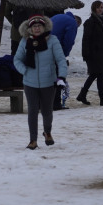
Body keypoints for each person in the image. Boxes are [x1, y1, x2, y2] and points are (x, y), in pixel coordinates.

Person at [13, 15, 67, 150]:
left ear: (44, 27)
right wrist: (24, 70)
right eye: (34, 26)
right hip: (29, 82)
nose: (37, 28)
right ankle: (33, 140)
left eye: (39, 26)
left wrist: (61, 76)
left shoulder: (53, 40)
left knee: (47, 111)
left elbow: (61, 60)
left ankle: (47, 131)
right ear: (30, 28)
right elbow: (17, 59)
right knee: (32, 110)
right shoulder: (25, 41)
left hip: (48, 81)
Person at [77, 1, 103, 106]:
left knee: (98, 75)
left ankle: (88, 96)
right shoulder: (90, 22)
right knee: (95, 74)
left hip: (100, 53)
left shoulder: (102, 22)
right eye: (99, 7)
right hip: (93, 54)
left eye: (102, 7)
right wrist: (85, 54)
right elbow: (85, 39)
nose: (101, 9)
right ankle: (98, 98)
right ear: (94, 8)